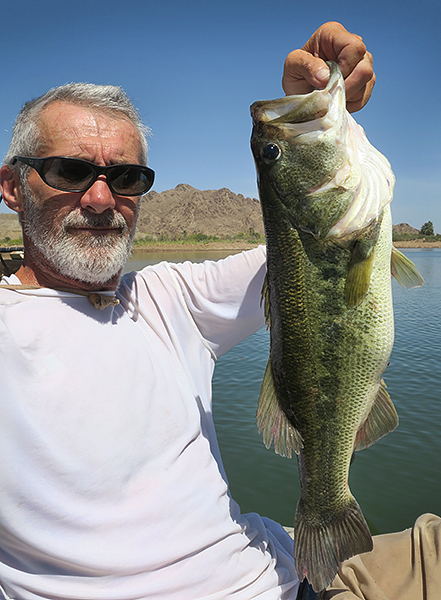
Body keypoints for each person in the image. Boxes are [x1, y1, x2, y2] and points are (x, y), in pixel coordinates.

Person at [0, 20, 415, 600]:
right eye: (69, 171)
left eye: (125, 177)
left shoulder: (169, 297)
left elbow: (309, 249)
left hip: (286, 566)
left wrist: (313, 108)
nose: (101, 198)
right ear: (13, 187)